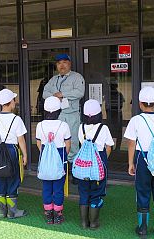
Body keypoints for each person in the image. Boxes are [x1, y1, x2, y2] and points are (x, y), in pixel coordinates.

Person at [124, 87, 154, 238]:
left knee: (143, 191)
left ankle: (142, 228)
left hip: (142, 158)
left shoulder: (136, 120)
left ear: (140, 103)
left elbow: (131, 143)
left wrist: (130, 163)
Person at [0, 89, 28, 219]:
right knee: (13, 179)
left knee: (1, 178)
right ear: (10, 102)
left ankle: (2, 211)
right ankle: (12, 211)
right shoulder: (16, 119)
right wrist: (25, 155)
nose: (15, 102)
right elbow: (21, 140)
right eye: (14, 100)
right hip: (12, 150)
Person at [77, 99, 114, 229]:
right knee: (97, 192)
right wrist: (101, 161)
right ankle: (93, 222)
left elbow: (81, 145)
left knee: (84, 191)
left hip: (83, 165)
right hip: (98, 164)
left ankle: (83, 222)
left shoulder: (81, 127)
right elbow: (109, 147)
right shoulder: (103, 128)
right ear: (99, 114)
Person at [43, 53, 85, 162]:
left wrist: (63, 94)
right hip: (56, 116)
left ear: (69, 64)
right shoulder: (53, 79)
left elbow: (80, 92)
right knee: (56, 139)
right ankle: (59, 163)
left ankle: (72, 166)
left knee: (72, 141)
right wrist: (54, 96)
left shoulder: (76, 77)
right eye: (59, 63)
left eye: (65, 62)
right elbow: (45, 93)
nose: (62, 65)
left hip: (71, 115)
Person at [36, 96, 71, 224]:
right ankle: (58, 214)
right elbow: (68, 144)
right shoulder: (64, 125)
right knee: (58, 188)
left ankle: (48, 213)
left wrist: (46, 155)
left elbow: (39, 143)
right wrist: (61, 157)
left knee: (46, 187)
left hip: (45, 157)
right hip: (60, 157)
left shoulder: (40, 125)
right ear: (59, 111)